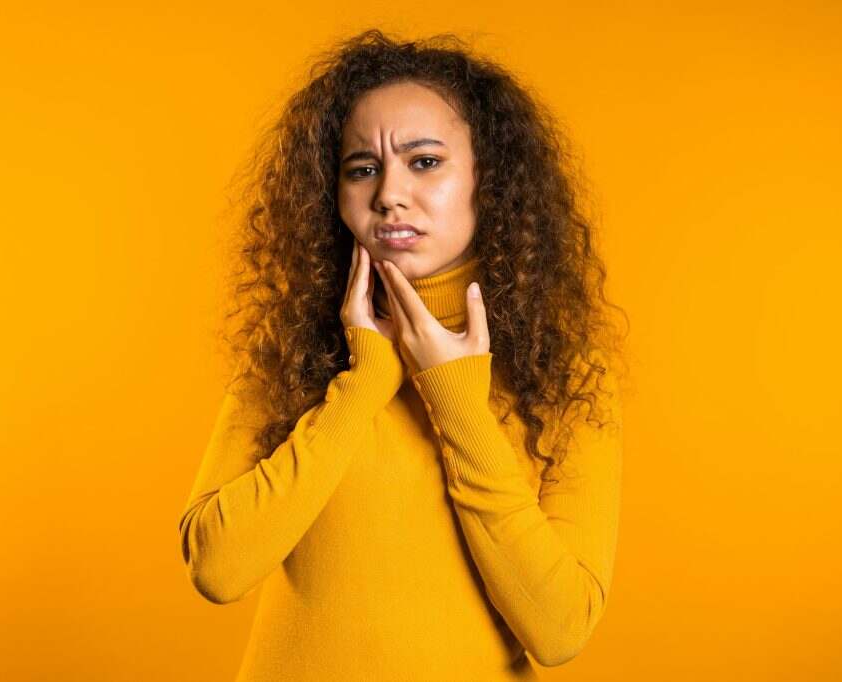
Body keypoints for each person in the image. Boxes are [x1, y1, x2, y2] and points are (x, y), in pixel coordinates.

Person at [178, 28, 628, 681]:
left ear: (489, 179)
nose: (389, 193)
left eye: (424, 162)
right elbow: (216, 567)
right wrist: (361, 385)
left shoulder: (564, 369)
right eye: (363, 168)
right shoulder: (294, 350)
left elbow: (560, 630)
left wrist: (456, 402)